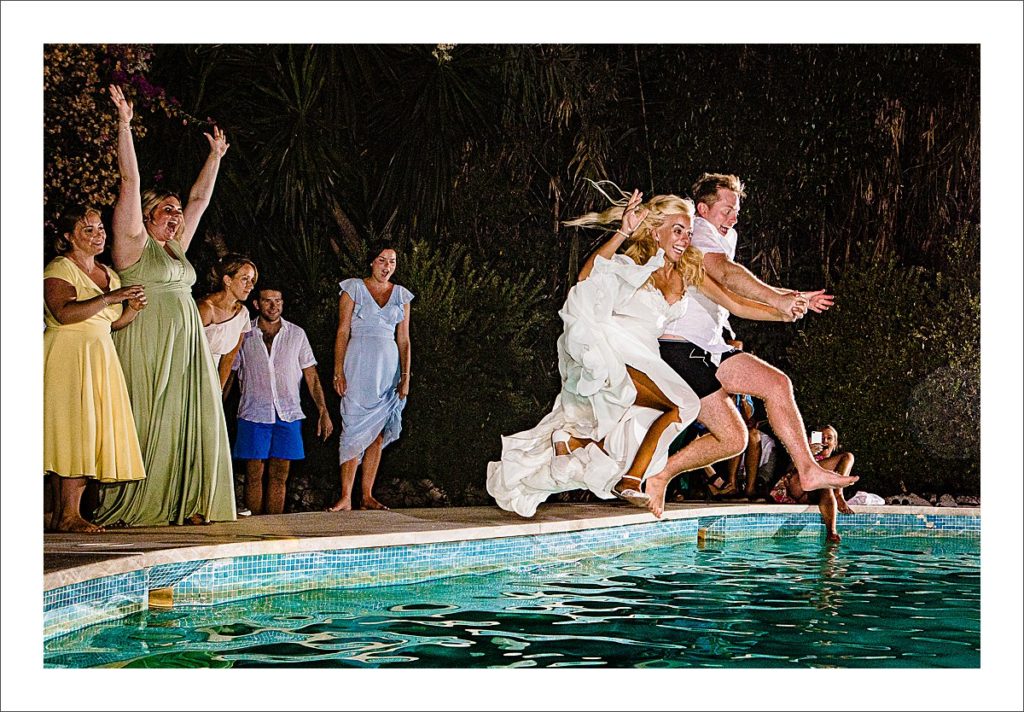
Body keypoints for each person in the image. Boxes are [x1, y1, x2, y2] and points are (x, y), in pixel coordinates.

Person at [489, 188, 784, 517]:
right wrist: (623, 232)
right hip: (618, 351)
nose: (686, 239)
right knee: (682, 405)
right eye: (677, 230)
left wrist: (785, 307)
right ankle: (631, 481)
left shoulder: (686, 272)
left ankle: (578, 447)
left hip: (648, 358)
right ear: (655, 229)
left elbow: (737, 303)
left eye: (688, 232)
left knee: (625, 448)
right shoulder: (633, 263)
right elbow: (587, 278)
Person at [640, 173, 857, 516]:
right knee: (734, 437)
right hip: (678, 347)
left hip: (710, 347)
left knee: (772, 390)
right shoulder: (696, 230)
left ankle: (808, 469)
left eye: (736, 211)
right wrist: (777, 298)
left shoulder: (726, 236)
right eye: (727, 210)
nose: (733, 218)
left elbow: (733, 301)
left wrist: (788, 304)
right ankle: (660, 475)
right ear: (702, 209)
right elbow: (726, 275)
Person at [94, 84, 235, 527]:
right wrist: (124, 124)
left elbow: (200, 200)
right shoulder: (134, 243)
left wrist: (215, 157)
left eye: (177, 213)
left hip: (186, 344)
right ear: (149, 214)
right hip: (147, 339)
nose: (176, 217)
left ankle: (187, 500)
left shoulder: (176, 247)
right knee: (147, 417)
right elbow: (130, 181)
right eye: (167, 211)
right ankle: (135, 502)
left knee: (189, 419)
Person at [44, 206, 148, 533]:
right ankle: (68, 514)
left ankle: (66, 513)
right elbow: (64, 312)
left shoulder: (107, 272)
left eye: (100, 228)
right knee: (74, 430)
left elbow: (112, 323)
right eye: (87, 229)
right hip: (68, 355)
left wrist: (130, 309)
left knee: (91, 432)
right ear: (68, 237)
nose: (98, 234)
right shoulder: (59, 268)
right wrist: (110, 296)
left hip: (100, 354)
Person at [230, 287, 334, 515]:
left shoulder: (296, 334)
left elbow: (311, 375)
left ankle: (274, 530)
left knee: (280, 476)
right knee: (253, 475)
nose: (273, 306)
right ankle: (254, 528)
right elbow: (230, 370)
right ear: (257, 304)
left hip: (288, 413)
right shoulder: (244, 334)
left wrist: (323, 410)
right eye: (267, 301)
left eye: (278, 300)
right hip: (253, 412)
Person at [328, 244, 413, 512]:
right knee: (352, 426)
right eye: (382, 260)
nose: (387, 266)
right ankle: (345, 496)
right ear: (371, 262)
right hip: (358, 365)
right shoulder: (353, 288)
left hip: (387, 369)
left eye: (392, 261)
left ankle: (366, 495)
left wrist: (406, 376)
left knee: (376, 434)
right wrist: (338, 370)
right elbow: (342, 331)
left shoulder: (401, 295)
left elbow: (404, 339)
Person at [770, 425, 855, 542]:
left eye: (829, 438)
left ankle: (832, 532)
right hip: (796, 486)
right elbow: (788, 470)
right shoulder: (805, 451)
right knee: (823, 478)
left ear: (835, 443)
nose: (824, 441)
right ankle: (837, 494)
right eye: (821, 438)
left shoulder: (838, 465)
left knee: (843, 462)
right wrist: (807, 454)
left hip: (815, 492)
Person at [198, 254, 258, 393]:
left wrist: (217, 391)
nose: (251, 286)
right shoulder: (205, 309)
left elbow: (229, 357)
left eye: (252, 280)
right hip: (189, 375)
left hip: (212, 382)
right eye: (245, 279)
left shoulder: (242, 314)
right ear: (227, 280)